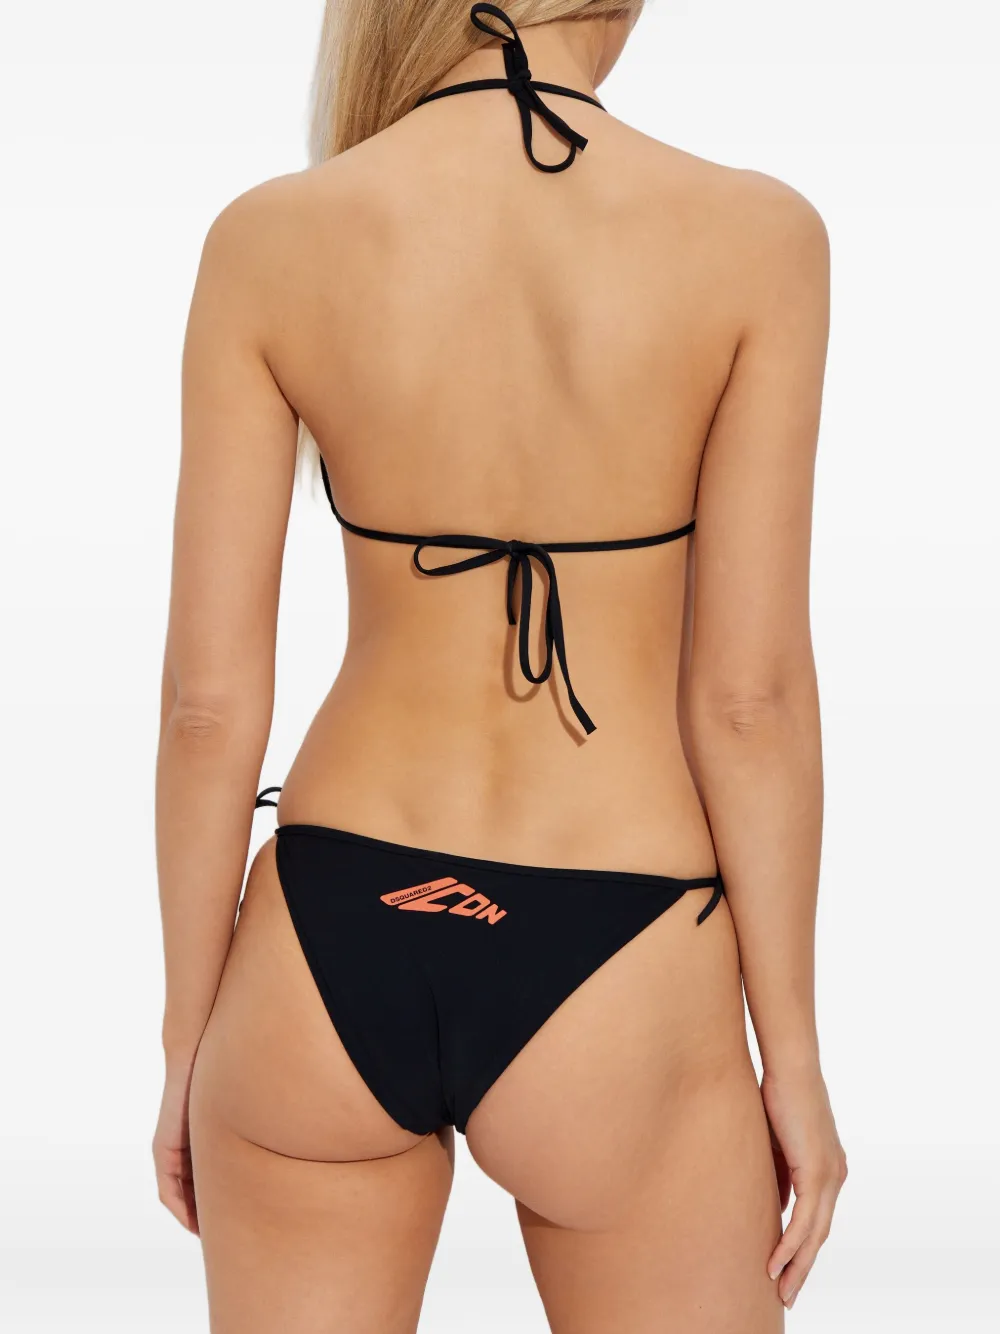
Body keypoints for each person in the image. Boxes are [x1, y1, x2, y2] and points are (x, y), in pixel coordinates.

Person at [153, 2, 846, 1328]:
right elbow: (747, 702)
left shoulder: (270, 238)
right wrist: (796, 1059)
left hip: (327, 932)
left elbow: (206, 708)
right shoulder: (759, 238)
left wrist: (190, 1034)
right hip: (622, 943)